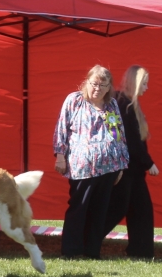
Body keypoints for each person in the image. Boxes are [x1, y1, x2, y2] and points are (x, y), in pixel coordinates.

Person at [53, 65, 129, 259]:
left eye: (103, 85)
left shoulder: (111, 105)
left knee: (99, 211)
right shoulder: (75, 100)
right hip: (82, 167)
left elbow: (118, 134)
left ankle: (92, 251)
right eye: (94, 83)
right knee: (78, 207)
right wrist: (60, 156)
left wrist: (121, 164)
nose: (98, 88)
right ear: (87, 82)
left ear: (109, 87)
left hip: (109, 166)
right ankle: (71, 251)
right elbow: (62, 128)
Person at [102, 65, 159, 258]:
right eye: (144, 83)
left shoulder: (130, 104)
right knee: (117, 209)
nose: (147, 88)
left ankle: (141, 251)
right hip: (124, 169)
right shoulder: (122, 104)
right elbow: (131, 141)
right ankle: (87, 241)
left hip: (133, 171)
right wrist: (149, 163)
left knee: (141, 210)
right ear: (135, 83)